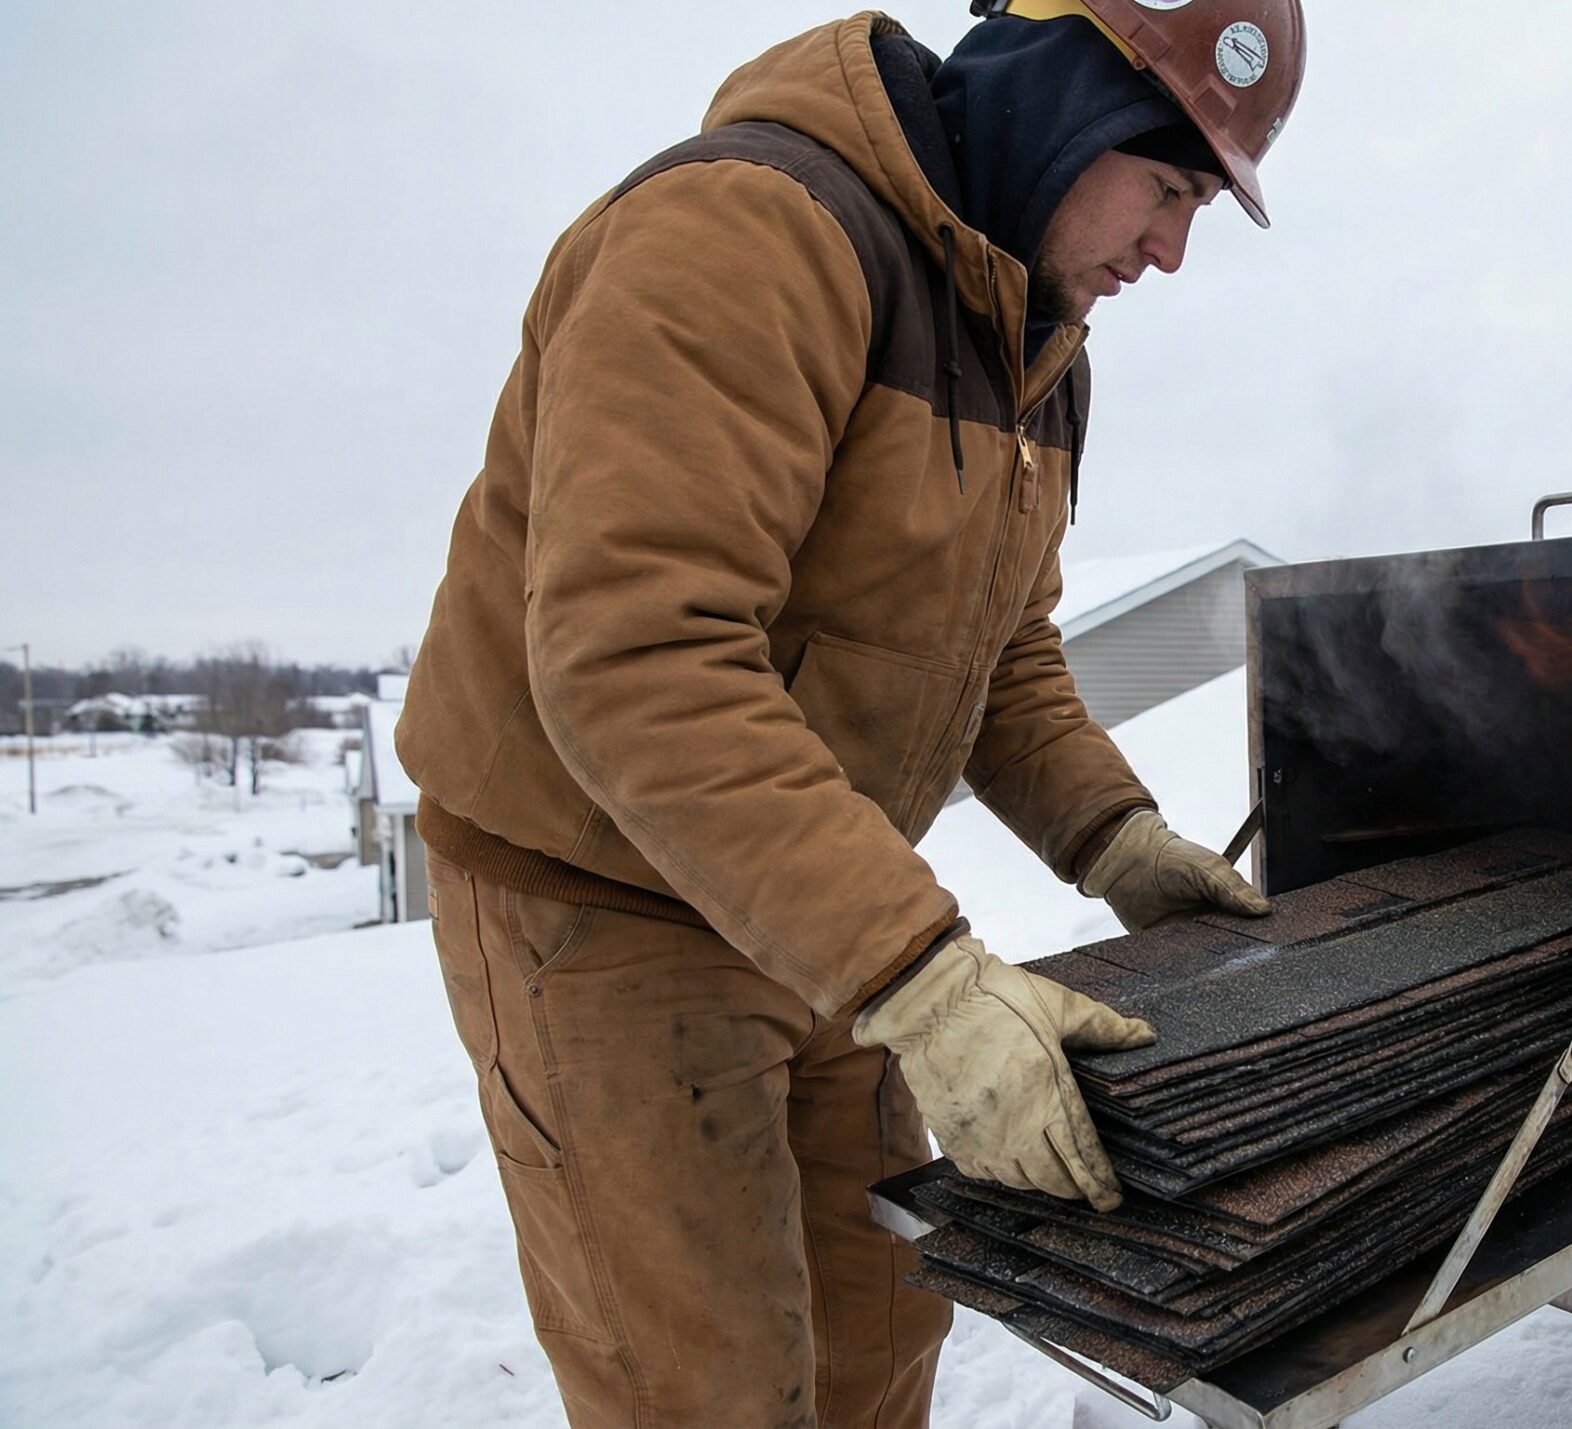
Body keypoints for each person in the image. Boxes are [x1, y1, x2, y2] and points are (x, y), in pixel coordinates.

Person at [393, 3, 1305, 1423]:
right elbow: (637, 652)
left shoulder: (1035, 341)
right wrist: (921, 977)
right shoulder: (749, 233)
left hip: (817, 897)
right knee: (711, 1386)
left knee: (879, 1344)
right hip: (606, 904)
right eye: (1170, 185)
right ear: (1063, 90)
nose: (1172, 250)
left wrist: (1113, 835)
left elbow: (1002, 652)